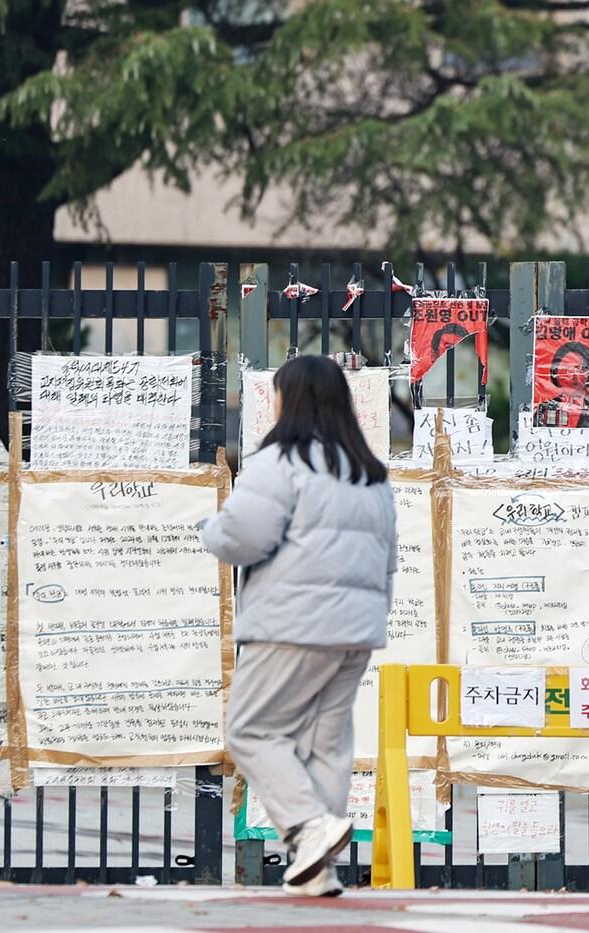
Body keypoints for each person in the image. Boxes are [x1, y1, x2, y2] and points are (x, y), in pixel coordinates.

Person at [202, 355, 397, 897]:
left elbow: (243, 539)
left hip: (291, 625)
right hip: (355, 631)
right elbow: (387, 563)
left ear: (288, 400)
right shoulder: (369, 474)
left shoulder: (278, 462)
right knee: (325, 746)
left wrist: (209, 528)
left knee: (251, 729)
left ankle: (309, 827)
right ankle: (319, 869)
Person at [533, 340, 589, 427]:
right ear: (555, 371)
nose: (573, 376)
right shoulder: (545, 409)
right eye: (566, 369)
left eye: (580, 369)